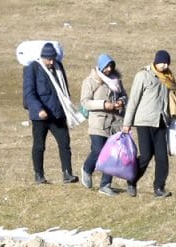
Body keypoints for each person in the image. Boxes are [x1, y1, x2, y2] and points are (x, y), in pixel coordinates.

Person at [123, 50, 176, 198]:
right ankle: (131, 181)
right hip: (144, 121)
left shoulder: (168, 78)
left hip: (161, 122)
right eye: (162, 62)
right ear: (155, 61)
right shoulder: (143, 75)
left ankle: (159, 188)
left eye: (167, 63)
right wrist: (127, 123)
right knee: (145, 155)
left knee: (162, 157)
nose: (164, 66)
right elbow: (133, 100)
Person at [22, 42, 80, 184]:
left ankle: (67, 173)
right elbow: (29, 93)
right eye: (49, 59)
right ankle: (39, 175)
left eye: (53, 58)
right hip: (40, 116)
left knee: (64, 143)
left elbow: (64, 89)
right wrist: (39, 109)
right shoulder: (32, 68)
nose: (51, 62)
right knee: (39, 145)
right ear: (42, 57)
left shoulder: (59, 68)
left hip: (58, 114)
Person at [79, 53, 127, 194]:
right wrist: (104, 104)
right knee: (98, 150)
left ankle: (105, 186)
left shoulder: (116, 81)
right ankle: (87, 169)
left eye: (111, 66)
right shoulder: (90, 81)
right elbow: (85, 102)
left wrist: (121, 102)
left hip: (115, 123)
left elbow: (124, 95)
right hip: (98, 124)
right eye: (106, 66)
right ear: (100, 66)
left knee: (112, 155)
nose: (108, 69)